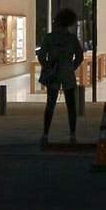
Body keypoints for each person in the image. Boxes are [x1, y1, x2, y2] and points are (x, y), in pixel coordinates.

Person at [36, 8, 84, 144]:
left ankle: (45, 134)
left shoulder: (49, 38)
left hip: (54, 73)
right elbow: (79, 57)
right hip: (68, 74)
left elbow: (41, 56)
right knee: (71, 105)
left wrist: (47, 67)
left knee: (50, 104)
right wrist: (71, 67)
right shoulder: (72, 39)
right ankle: (73, 134)